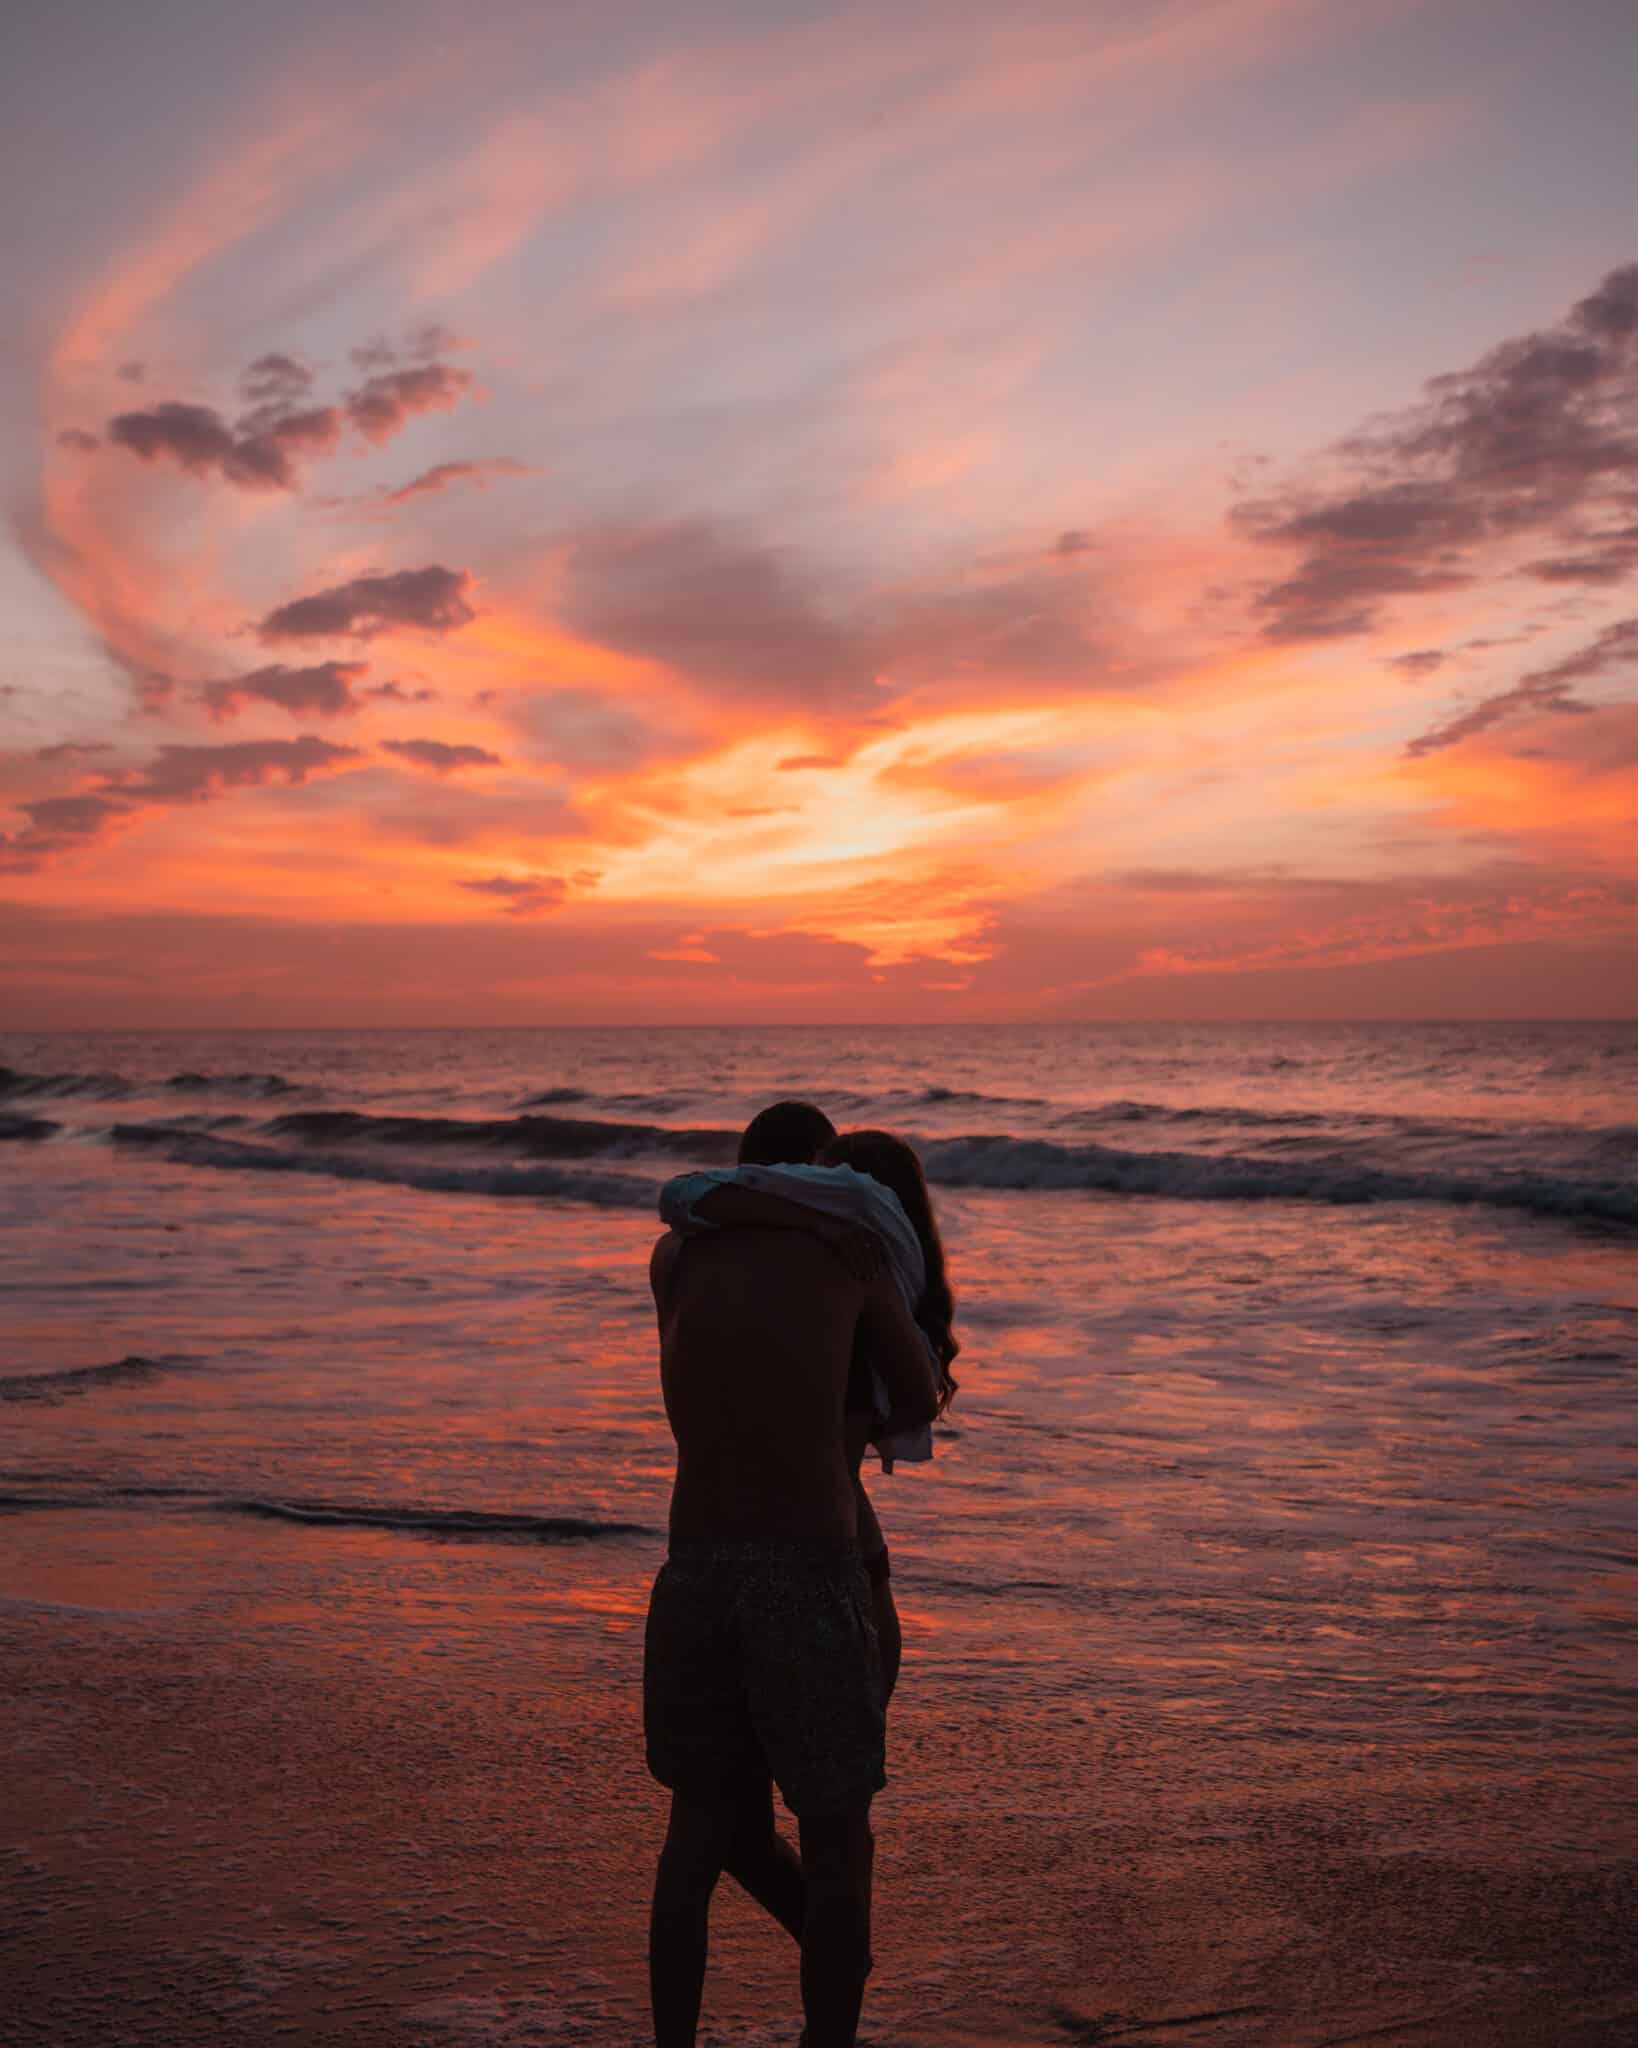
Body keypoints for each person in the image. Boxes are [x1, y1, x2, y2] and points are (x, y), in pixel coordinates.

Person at [644, 1106, 941, 2048]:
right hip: (810, 1569)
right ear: (824, 1173)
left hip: (693, 1567)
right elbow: (921, 1395)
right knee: (837, 1841)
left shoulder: (676, 1259)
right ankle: (833, 2018)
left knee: (695, 1837)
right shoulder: (843, 1255)